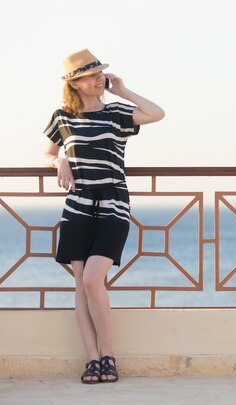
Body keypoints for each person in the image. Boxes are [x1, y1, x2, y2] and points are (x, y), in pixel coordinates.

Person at [43, 49, 165, 384]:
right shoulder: (62, 117)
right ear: (76, 84)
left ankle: (109, 355)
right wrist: (59, 161)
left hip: (113, 204)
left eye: (101, 73)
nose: (100, 79)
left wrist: (122, 90)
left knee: (93, 279)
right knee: (82, 287)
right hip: (78, 206)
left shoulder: (117, 113)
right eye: (92, 75)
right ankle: (93, 360)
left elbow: (156, 113)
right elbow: (47, 151)